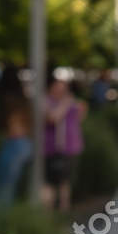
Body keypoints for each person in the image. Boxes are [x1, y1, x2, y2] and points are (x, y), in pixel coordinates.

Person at [0, 64, 32, 210]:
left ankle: (2, 215)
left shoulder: (8, 101)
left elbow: (13, 127)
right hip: (22, 142)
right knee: (8, 184)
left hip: (15, 142)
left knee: (5, 185)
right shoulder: (22, 99)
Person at [43, 77, 84, 212]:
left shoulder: (69, 101)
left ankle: (64, 209)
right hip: (52, 147)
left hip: (69, 147)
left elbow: (79, 118)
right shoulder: (47, 101)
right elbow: (53, 118)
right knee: (50, 181)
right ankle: (48, 211)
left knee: (65, 180)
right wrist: (65, 104)